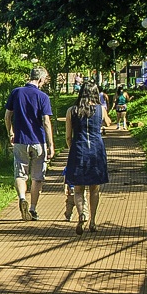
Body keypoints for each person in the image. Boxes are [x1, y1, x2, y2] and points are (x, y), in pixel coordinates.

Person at [3, 68, 55, 221]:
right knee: (37, 178)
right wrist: (50, 144)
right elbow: (46, 121)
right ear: (41, 79)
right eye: (45, 81)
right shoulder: (43, 97)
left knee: (20, 174)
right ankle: (32, 209)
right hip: (38, 141)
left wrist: (10, 132)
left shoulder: (16, 92)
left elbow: (7, 116)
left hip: (20, 141)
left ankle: (21, 198)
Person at [62, 83, 111, 232]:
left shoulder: (71, 111)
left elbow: (68, 137)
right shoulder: (100, 110)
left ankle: (82, 213)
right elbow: (108, 123)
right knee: (94, 189)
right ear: (96, 94)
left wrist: (73, 150)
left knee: (78, 189)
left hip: (78, 149)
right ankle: (93, 221)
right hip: (96, 150)